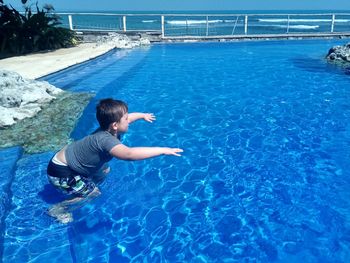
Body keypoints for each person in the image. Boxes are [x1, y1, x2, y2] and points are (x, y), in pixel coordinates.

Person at [47, 98, 183, 223]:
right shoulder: (105, 140)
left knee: (105, 170)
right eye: (126, 118)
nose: (129, 120)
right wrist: (163, 150)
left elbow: (131, 118)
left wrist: (142, 115)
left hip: (68, 160)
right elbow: (129, 154)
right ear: (115, 125)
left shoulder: (109, 129)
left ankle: (84, 183)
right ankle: (59, 209)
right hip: (61, 172)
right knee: (94, 194)